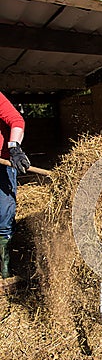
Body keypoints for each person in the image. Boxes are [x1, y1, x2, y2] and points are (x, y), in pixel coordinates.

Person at [0, 92, 30, 279]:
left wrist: (14, 148)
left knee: (4, 213)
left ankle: (5, 268)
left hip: (2, 164)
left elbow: (16, 120)